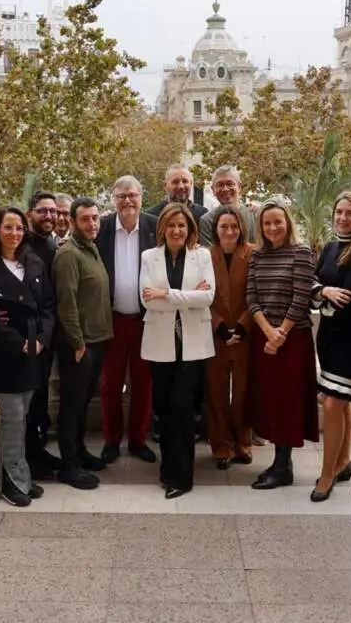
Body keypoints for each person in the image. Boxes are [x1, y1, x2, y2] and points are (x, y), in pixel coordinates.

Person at [0, 206, 56, 507]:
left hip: (33, 352)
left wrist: (41, 339)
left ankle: (21, 477)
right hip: (3, 354)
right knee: (12, 419)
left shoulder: (34, 263)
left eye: (19, 228)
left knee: (24, 418)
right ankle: (10, 483)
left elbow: (47, 306)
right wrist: (18, 342)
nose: (14, 233)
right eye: (8, 227)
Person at [139, 204, 216, 498]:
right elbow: (148, 301)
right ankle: (167, 470)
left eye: (182, 225)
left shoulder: (203, 255)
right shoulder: (149, 256)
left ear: (190, 228)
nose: (176, 230)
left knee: (184, 409)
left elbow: (207, 297)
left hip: (193, 345)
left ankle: (182, 477)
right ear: (162, 228)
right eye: (171, 225)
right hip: (161, 344)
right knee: (164, 409)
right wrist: (186, 296)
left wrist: (166, 293)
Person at [246, 200, 318, 489]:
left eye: (278, 221)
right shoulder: (257, 256)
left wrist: (281, 334)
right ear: (261, 227)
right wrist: (267, 331)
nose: (273, 227)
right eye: (267, 223)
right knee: (269, 401)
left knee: (287, 403)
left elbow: (301, 298)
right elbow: (251, 297)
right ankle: (279, 464)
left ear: (287, 222)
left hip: (293, 341)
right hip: (264, 339)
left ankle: (283, 466)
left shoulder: (301, 253)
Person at [309, 192, 351, 502]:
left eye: (350, 213)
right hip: (328, 336)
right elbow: (313, 284)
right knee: (343, 401)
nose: (343, 217)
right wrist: (323, 290)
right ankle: (344, 460)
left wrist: (327, 292)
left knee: (333, 403)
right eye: (339, 211)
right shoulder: (331, 247)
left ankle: (327, 473)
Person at [96, 175, 159, 464]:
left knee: (143, 385)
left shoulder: (154, 226)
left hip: (147, 320)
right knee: (110, 385)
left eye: (132, 194)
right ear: (113, 199)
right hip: (112, 320)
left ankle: (137, 440)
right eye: (121, 195)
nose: (127, 200)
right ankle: (111, 440)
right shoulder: (102, 228)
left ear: (141, 197)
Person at [53, 197, 114, 489]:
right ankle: (69, 465)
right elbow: (67, 303)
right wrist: (77, 343)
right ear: (73, 222)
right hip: (79, 344)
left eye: (95, 218)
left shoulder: (91, 248)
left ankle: (79, 453)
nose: (92, 223)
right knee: (72, 406)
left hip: (97, 341)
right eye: (85, 219)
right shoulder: (69, 254)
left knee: (82, 403)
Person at [205, 205, 255, 469]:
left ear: (242, 229)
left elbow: (258, 293)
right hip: (216, 335)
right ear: (215, 229)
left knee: (243, 392)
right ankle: (221, 446)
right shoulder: (203, 256)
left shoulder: (253, 253)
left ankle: (243, 444)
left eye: (234, 226)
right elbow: (199, 294)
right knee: (216, 393)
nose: (229, 231)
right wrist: (220, 326)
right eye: (224, 226)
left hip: (246, 334)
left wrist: (244, 325)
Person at [24, 191, 65, 478]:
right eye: (43, 211)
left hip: (46, 334)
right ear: (30, 215)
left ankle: (38, 453)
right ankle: (29, 460)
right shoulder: (22, 245)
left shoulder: (52, 243)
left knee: (40, 398)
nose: (50, 216)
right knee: (27, 402)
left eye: (53, 211)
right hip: (26, 336)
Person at [199, 165, 256, 247]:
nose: (225, 189)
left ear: (239, 187)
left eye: (230, 184)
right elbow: (209, 255)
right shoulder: (207, 221)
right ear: (213, 189)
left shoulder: (255, 215)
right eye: (220, 185)